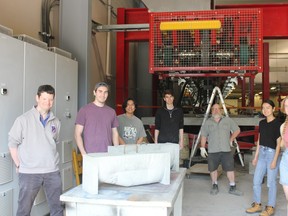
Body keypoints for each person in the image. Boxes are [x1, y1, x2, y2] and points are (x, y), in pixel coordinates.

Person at [8, 85, 63, 216]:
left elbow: (54, 142)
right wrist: (18, 164)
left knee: (58, 208)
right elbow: (12, 144)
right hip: (29, 173)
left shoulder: (56, 121)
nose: (47, 103)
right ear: (37, 98)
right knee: (24, 210)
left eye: (50, 99)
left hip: (52, 171)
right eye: (44, 99)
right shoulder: (22, 120)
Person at [246, 99, 282, 216]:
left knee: (271, 183)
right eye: (263, 108)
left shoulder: (278, 124)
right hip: (262, 153)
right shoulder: (261, 123)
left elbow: (278, 144)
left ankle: (270, 206)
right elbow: (259, 141)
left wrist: (275, 160)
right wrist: (256, 157)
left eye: (267, 107)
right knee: (256, 181)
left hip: (272, 154)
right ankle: (257, 204)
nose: (265, 110)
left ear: (273, 109)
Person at [200, 103, 242, 196]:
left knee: (230, 169)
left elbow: (237, 130)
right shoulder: (207, 122)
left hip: (226, 150)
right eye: (214, 109)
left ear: (221, 110)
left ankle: (232, 187)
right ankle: (214, 185)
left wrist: (231, 139)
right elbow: (203, 136)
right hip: (212, 150)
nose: (216, 110)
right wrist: (202, 147)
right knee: (213, 169)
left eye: (218, 109)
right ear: (211, 111)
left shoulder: (228, 120)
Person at [75, 82, 119, 155]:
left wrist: (116, 151)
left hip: (108, 154)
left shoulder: (111, 112)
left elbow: (115, 133)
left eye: (105, 92)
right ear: (94, 92)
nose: (103, 95)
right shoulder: (84, 110)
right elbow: (77, 134)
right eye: (100, 91)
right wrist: (84, 154)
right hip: (90, 155)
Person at [280, 96, 288, 215]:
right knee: (285, 185)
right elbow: (283, 144)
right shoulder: (283, 126)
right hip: (286, 158)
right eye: (286, 106)